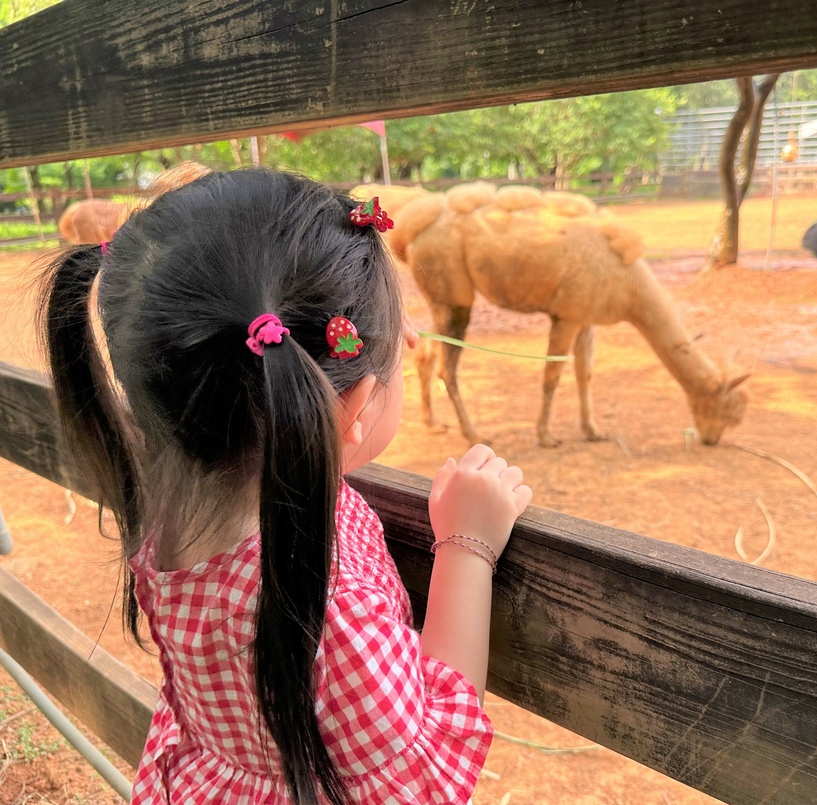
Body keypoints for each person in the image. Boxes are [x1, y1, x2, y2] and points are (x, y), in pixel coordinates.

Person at [39, 168, 532, 804]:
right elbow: (426, 776)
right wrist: (468, 546)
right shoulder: (333, 613)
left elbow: (221, 285)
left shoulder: (168, 514)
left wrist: (363, 357)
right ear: (354, 411)